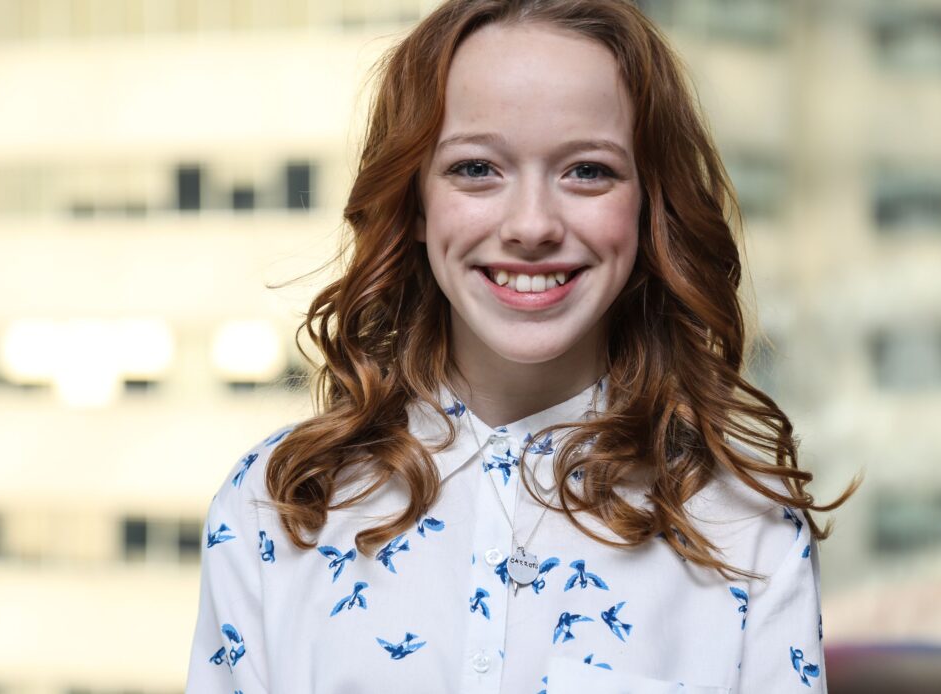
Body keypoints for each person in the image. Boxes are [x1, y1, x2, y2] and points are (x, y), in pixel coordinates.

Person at [186, 1, 856, 692]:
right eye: (476, 169)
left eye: (588, 171)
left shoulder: (747, 532)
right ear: (414, 202)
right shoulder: (276, 506)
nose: (532, 225)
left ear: (649, 203)